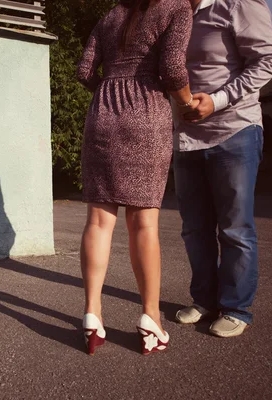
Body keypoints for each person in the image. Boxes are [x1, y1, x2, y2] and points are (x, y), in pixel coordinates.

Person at [77, 0, 197, 355]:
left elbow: (85, 72)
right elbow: (173, 68)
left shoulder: (111, 14)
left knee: (99, 221)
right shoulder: (176, 8)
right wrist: (187, 103)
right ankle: (150, 317)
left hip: (103, 113)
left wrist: (109, 91)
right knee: (143, 223)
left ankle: (92, 314)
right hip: (146, 113)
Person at [173, 0, 272, 338]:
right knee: (194, 229)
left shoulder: (237, 3)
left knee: (234, 228)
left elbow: (268, 61)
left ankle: (236, 308)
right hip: (187, 139)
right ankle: (204, 300)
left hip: (235, 131)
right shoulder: (174, 13)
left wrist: (216, 101)